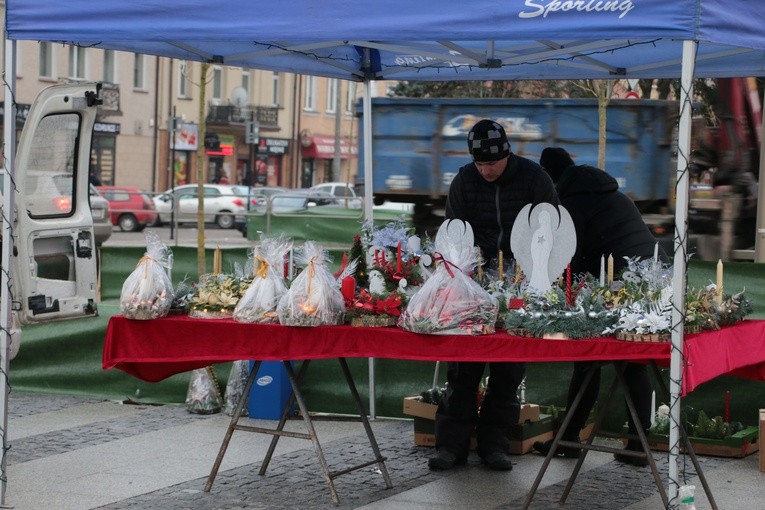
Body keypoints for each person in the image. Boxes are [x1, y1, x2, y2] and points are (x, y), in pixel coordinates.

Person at [428, 120, 559, 472]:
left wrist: (536, 277)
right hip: (473, 281)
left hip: (521, 281)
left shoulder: (534, 178)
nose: (486, 171)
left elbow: (550, 229)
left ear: (507, 154)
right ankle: (450, 446)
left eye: (492, 164)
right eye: (480, 164)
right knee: (463, 367)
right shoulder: (464, 181)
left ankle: (495, 445)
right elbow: (454, 234)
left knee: (508, 366)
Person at [533, 147, 668, 466]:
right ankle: (637, 443)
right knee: (631, 360)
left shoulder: (570, 202)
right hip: (651, 275)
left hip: (622, 280)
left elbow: (571, 259)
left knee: (590, 360)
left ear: (551, 178)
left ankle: (571, 438)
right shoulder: (612, 193)